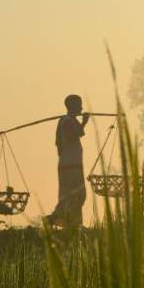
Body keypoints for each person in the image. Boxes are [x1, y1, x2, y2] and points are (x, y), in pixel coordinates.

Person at [47, 94, 89, 228]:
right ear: (72, 106)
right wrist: (84, 123)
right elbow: (71, 137)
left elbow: (78, 134)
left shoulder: (71, 120)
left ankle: (73, 224)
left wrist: (82, 123)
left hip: (74, 164)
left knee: (76, 195)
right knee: (74, 195)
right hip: (69, 165)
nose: (81, 107)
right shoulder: (67, 121)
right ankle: (55, 218)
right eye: (79, 105)